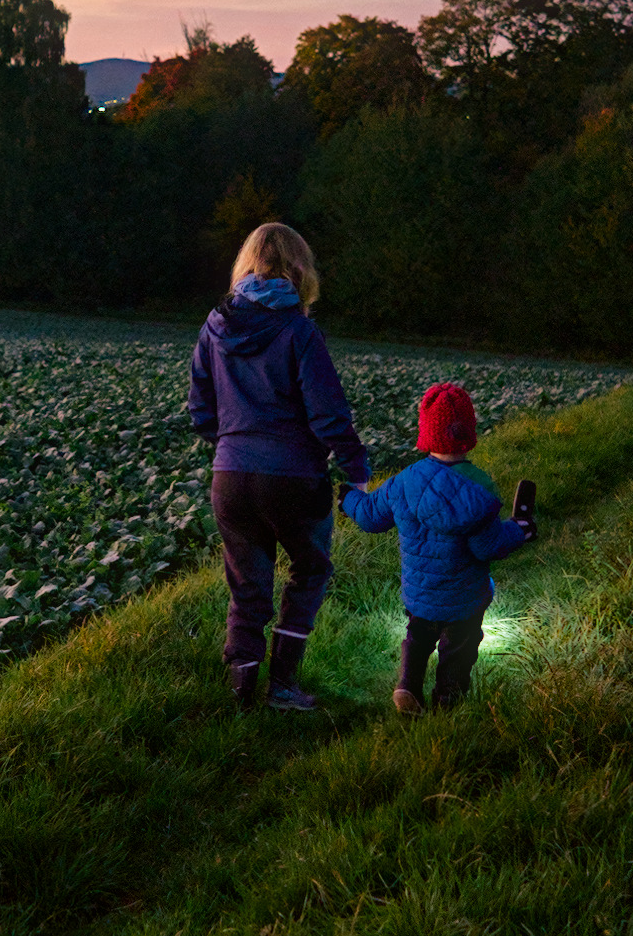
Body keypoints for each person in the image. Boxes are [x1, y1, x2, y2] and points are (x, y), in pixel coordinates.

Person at [187, 222, 369, 712]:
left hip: (230, 476)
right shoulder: (299, 331)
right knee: (310, 569)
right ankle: (283, 685)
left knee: (247, 585)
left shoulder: (214, 324)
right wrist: (356, 469)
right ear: (299, 269)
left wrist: (233, 444)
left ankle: (242, 690)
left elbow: (200, 410)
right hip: (293, 478)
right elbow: (328, 414)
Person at [341, 382, 536, 713]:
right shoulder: (479, 487)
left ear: (426, 433)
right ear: (468, 432)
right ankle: (448, 702)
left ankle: (407, 686)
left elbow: (370, 516)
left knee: (417, 639)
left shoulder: (404, 481)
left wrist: (348, 498)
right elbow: (487, 547)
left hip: (420, 594)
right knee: (459, 649)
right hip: (464, 600)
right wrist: (520, 530)